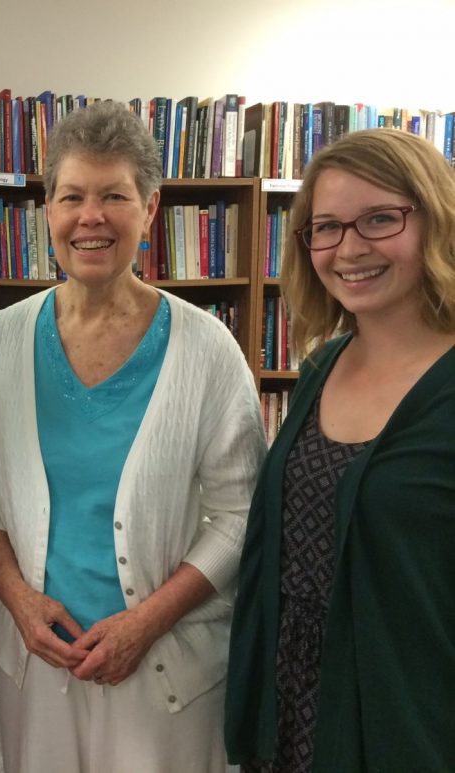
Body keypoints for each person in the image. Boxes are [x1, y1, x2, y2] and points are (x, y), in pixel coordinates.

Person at [0, 99, 267, 773]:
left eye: (114, 196)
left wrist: (144, 621)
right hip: (38, 660)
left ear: (150, 211)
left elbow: (241, 515)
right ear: (47, 212)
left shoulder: (208, 351)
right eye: (72, 196)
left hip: (168, 668)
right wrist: (18, 599)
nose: (90, 216)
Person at [225, 129, 455, 772]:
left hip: (410, 721)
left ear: (434, 220)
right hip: (295, 708)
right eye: (326, 227)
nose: (349, 248)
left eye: (380, 219)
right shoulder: (323, 366)